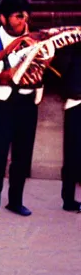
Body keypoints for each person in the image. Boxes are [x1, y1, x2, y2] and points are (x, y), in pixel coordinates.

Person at [0, 0, 41, 218]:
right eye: (18, 15)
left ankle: (15, 201)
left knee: (22, 156)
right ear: (4, 18)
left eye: (25, 15)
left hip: (27, 103)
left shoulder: (34, 37)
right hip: (4, 104)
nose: (23, 20)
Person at [58, 47, 81, 213]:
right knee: (72, 155)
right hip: (76, 105)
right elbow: (65, 82)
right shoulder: (73, 50)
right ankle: (68, 199)